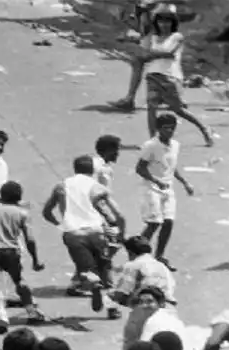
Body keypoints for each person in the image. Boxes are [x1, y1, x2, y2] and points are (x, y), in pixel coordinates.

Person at [43, 155, 126, 317]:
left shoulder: (61, 186)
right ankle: (112, 308)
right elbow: (119, 215)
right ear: (93, 170)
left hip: (73, 234)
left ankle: (91, 282)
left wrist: (61, 225)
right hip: (97, 233)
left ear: (75, 168)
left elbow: (47, 212)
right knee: (105, 267)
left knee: (85, 268)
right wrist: (120, 234)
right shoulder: (98, 188)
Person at [136, 5, 213, 146]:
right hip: (152, 75)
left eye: (167, 22)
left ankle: (203, 128)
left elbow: (169, 53)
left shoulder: (177, 37)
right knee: (151, 108)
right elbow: (143, 55)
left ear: (173, 23)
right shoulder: (153, 37)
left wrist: (151, 55)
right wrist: (152, 55)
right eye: (161, 22)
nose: (164, 25)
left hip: (170, 77)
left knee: (178, 109)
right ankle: (153, 140)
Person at [0, 181, 46, 332]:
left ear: (1, 196)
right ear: (19, 197)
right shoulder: (22, 214)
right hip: (11, 251)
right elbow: (30, 239)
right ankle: (31, 311)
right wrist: (35, 259)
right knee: (19, 280)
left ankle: (2, 315)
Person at [136, 113, 195, 270]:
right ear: (158, 129)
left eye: (172, 128)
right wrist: (156, 181)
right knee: (154, 223)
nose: (169, 131)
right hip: (151, 188)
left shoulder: (175, 145)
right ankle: (137, 255)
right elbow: (140, 168)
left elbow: (172, 167)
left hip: (168, 188)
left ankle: (159, 256)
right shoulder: (151, 146)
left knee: (168, 222)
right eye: (166, 128)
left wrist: (185, 183)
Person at [110, 236, 175, 338]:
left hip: (147, 312)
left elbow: (122, 292)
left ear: (130, 252)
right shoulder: (162, 266)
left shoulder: (133, 265)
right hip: (169, 310)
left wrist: (111, 297)